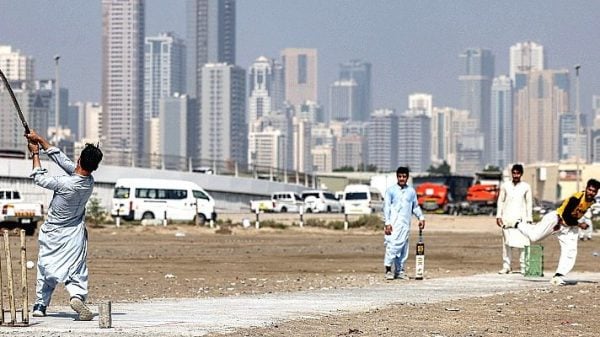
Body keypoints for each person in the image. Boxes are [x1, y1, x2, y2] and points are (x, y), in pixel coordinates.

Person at [25, 130, 103, 320]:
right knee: (76, 268)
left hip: (53, 232)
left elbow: (39, 177)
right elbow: (64, 161)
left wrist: (35, 153)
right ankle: (76, 295)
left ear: (79, 159)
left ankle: (40, 305)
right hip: (74, 233)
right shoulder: (89, 182)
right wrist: (40, 140)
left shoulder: (65, 183)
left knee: (46, 266)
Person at [512, 178, 600, 285]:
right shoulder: (576, 198)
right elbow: (566, 216)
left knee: (570, 251)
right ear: (586, 189)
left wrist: (577, 224)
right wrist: (580, 224)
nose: (591, 193)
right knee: (534, 237)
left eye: (594, 191)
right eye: (590, 190)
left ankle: (558, 276)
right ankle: (518, 224)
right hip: (556, 220)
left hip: (568, 227)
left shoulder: (591, 201)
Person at [383, 166, 425, 280]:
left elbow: (415, 207)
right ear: (397, 177)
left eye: (404, 176)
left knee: (403, 248)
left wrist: (421, 217)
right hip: (393, 224)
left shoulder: (411, 191)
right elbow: (386, 207)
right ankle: (388, 269)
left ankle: (399, 270)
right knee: (392, 246)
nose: (402, 178)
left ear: (407, 177)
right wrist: (387, 223)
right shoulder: (390, 191)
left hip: (405, 224)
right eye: (400, 176)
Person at [496, 164, 533, 274]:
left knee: (523, 243)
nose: (516, 175)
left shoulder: (526, 186)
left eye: (518, 173)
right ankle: (506, 266)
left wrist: (529, 218)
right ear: (511, 173)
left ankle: (524, 266)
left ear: (521, 174)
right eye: (514, 173)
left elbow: (529, 203)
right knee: (506, 243)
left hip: (521, 219)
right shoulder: (505, 185)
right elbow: (500, 201)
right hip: (507, 218)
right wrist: (498, 216)